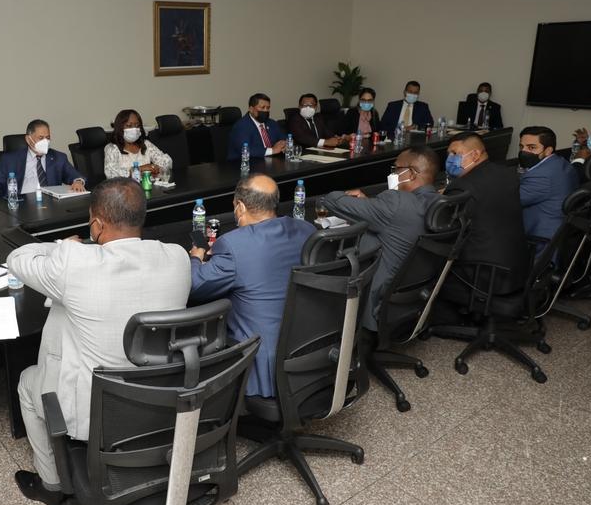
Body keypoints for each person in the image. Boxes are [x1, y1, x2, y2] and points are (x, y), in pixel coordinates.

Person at [8, 178, 190, 505]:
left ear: (96, 223)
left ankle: (51, 484)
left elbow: (18, 258)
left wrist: (63, 245)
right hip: (161, 399)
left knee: (27, 381)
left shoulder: (76, 263)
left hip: (95, 410)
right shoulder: (178, 258)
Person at [188, 173, 316, 397]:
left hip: (262, 356)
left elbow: (195, 286)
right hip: (307, 344)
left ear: (240, 206)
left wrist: (196, 257)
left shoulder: (233, 245)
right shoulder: (307, 230)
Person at [323, 147, 441, 331]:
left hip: (377, 295)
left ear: (410, 173)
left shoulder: (396, 202)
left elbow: (333, 200)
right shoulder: (440, 203)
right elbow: (396, 219)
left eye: (395, 169)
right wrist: (371, 204)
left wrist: (355, 201)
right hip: (412, 293)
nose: (392, 174)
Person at [442, 132, 528, 297]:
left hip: (482, 274)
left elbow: (447, 231)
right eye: (448, 155)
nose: (450, 159)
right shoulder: (507, 174)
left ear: (475, 155)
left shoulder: (462, 187)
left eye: (455, 154)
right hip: (516, 266)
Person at [0, 119, 85, 198]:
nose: (45, 141)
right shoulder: (9, 160)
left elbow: (74, 175)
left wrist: (78, 181)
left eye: (47, 138)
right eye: (40, 138)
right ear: (28, 139)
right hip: (20, 206)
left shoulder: (58, 157)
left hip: (51, 206)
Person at [518, 126, 578, 241]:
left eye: (531, 147)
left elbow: (510, 201)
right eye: (521, 147)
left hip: (538, 240)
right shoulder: (561, 163)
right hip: (558, 232)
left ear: (548, 150)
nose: (524, 151)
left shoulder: (542, 176)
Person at [103, 109, 173, 179]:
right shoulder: (112, 148)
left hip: (147, 186)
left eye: (137, 125)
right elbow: (111, 173)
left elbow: (167, 161)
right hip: (123, 188)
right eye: (129, 125)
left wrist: (155, 168)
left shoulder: (146, 144)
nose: (134, 129)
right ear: (120, 128)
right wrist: (140, 169)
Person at [227, 93, 287, 160]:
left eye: (268, 108)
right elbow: (246, 149)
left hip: (269, 163)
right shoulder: (241, 126)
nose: (266, 111)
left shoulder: (272, 123)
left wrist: (284, 144)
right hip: (243, 165)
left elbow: (284, 138)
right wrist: (272, 150)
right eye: (262, 107)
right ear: (251, 109)